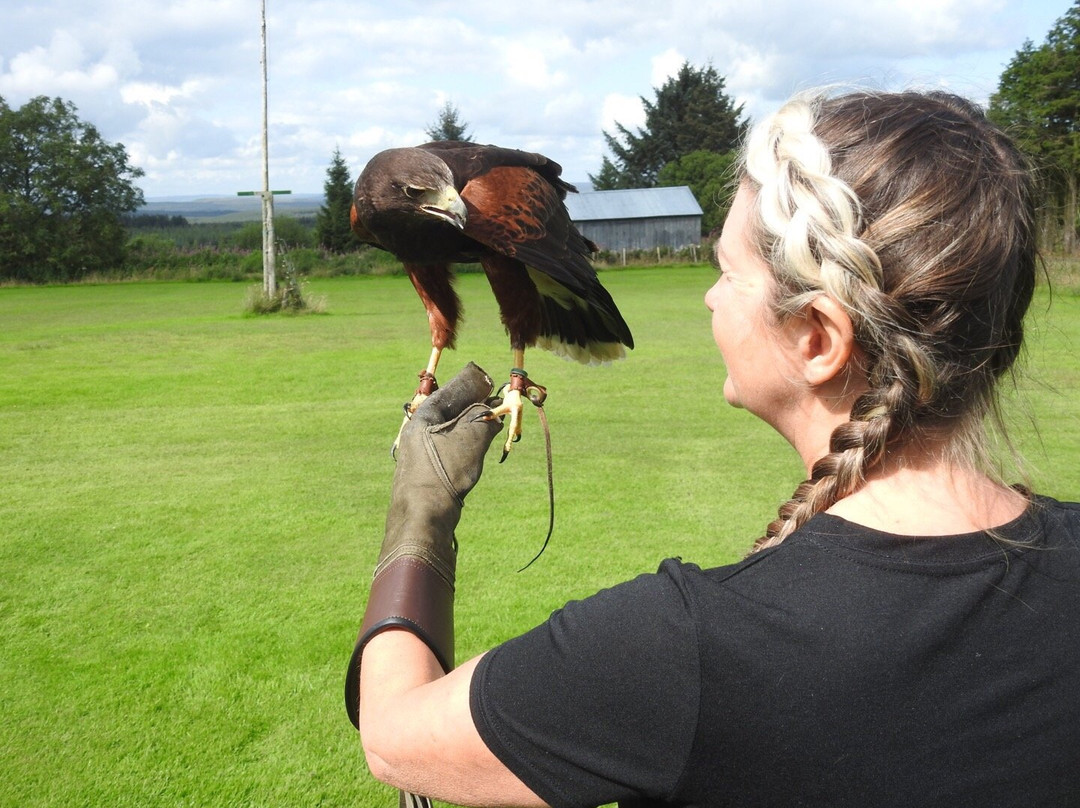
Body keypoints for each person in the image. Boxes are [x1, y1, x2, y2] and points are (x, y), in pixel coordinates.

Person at [345, 89, 1080, 808]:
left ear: (819, 339)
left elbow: (393, 737)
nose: (708, 298)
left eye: (728, 273)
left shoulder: (676, 648)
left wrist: (419, 514)